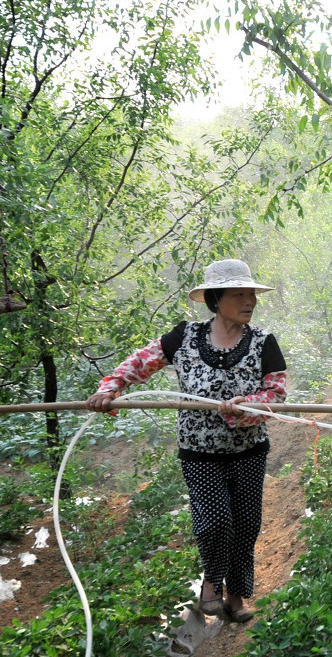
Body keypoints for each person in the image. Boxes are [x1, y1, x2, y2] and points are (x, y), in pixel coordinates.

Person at [86, 259, 287, 623]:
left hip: (249, 451)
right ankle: (211, 582)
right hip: (200, 453)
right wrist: (110, 388)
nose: (249, 301)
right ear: (215, 299)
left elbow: (277, 395)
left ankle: (237, 596)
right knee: (215, 522)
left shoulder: (263, 342)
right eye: (239, 294)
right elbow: (139, 363)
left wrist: (251, 406)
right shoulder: (184, 337)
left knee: (245, 525)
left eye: (251, 294)